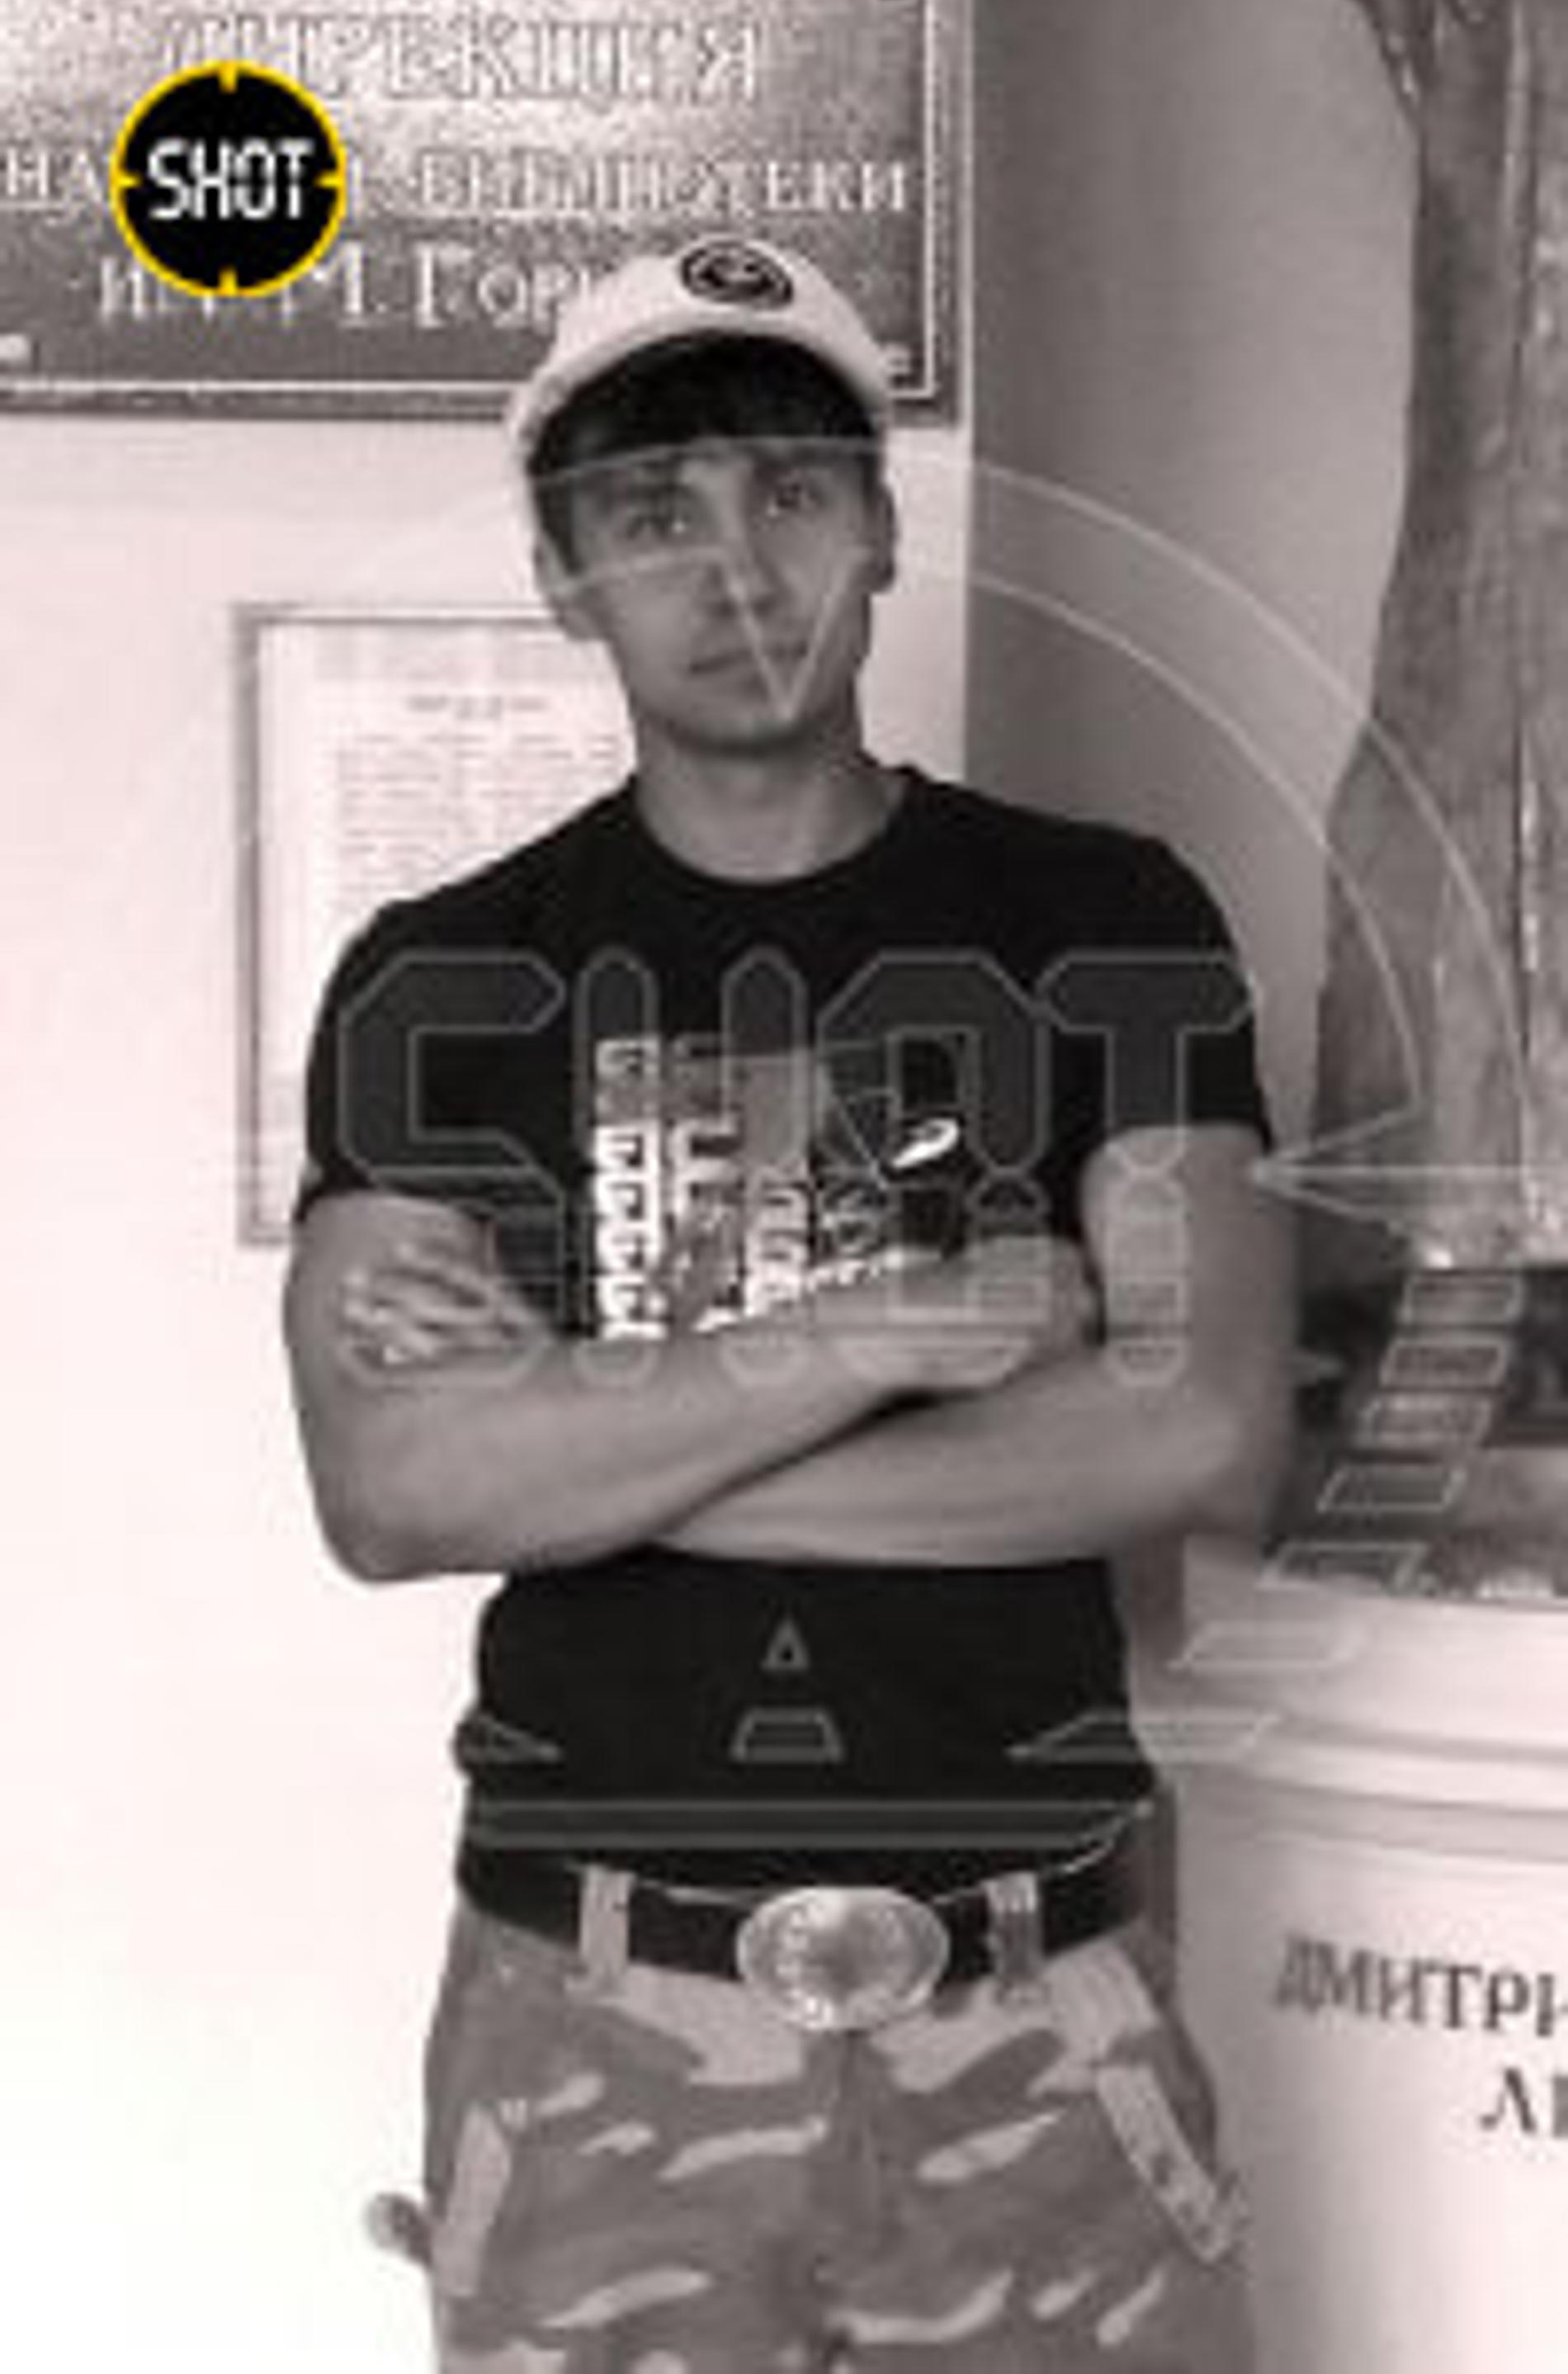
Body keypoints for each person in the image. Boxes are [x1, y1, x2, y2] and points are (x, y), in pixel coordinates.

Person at [283, 232, 1294, 2373]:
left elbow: (1201, 1430)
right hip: (594, 2026)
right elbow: (392, 1491)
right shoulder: (447, 981)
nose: (737, 570)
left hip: (1035, 2008)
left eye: (793, 494)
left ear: (881, 532)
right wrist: (884, 1337)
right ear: (564, 577)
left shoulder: (1097, 923)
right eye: (654, 514)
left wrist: (592, 1441)